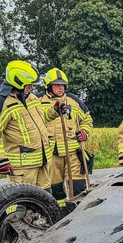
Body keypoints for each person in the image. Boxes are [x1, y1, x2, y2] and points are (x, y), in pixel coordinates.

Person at [0, 61, 67, 191]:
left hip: (42, 163)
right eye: (29, 84)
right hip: (22, 170)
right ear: (18, 81)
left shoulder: (30, 97)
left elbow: (41, 119)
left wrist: (54, 111)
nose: (32, 87)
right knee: (21, 206)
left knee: (45, 204)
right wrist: (1, 159)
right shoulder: (0, 102)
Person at [40, 68, 94, 205]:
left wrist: (84, 132)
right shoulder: (38, 102)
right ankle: (58, 215)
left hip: (73, 153)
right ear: (48, 85)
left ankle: (78, 213)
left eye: (63, 85)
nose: (60, 87)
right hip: (51, 155)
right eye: (57, 84)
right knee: (55, 190)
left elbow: (87, 120)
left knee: (78, 187)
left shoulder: (73, 101)